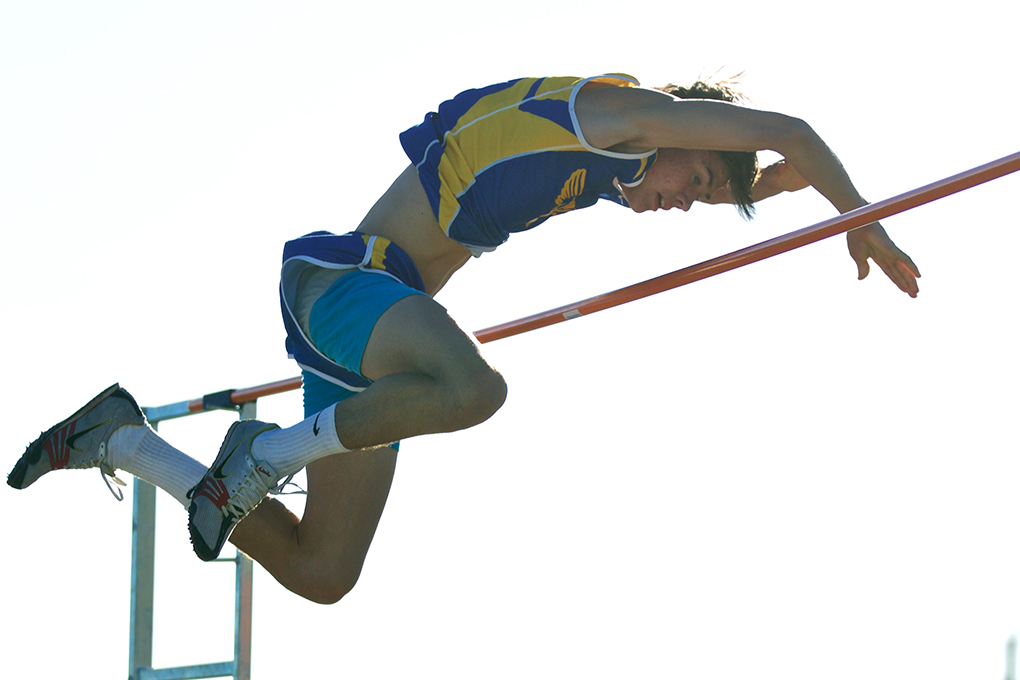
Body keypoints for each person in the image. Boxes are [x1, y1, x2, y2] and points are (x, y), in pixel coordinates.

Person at [7, 74, 920, 604]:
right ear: (686, 131)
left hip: (363, 344)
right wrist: (863, 218)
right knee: (477, 391)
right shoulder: (615, 113)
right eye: (696, 187)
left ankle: (123, 439)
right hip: (349, 286)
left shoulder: (626, 160)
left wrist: (794, 191)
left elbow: (746, 164)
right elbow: (786, 130)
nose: (683, 205)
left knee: (325, 574)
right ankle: (262, 449)